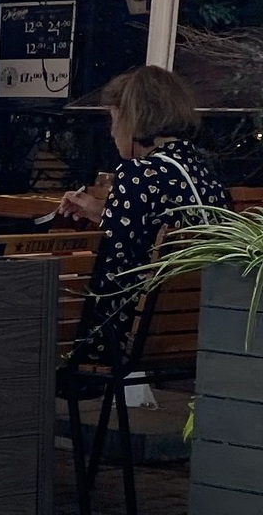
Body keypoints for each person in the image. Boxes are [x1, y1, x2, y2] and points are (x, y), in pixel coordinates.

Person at [56, 64, 224, 355]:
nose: (111, 131)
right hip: (190, 326)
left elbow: (115, 264)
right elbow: (154, 227)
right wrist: (102, 212)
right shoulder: (200, 168)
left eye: (114, 118)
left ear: (133, 119)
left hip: (126, 335)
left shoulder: (138, 173)